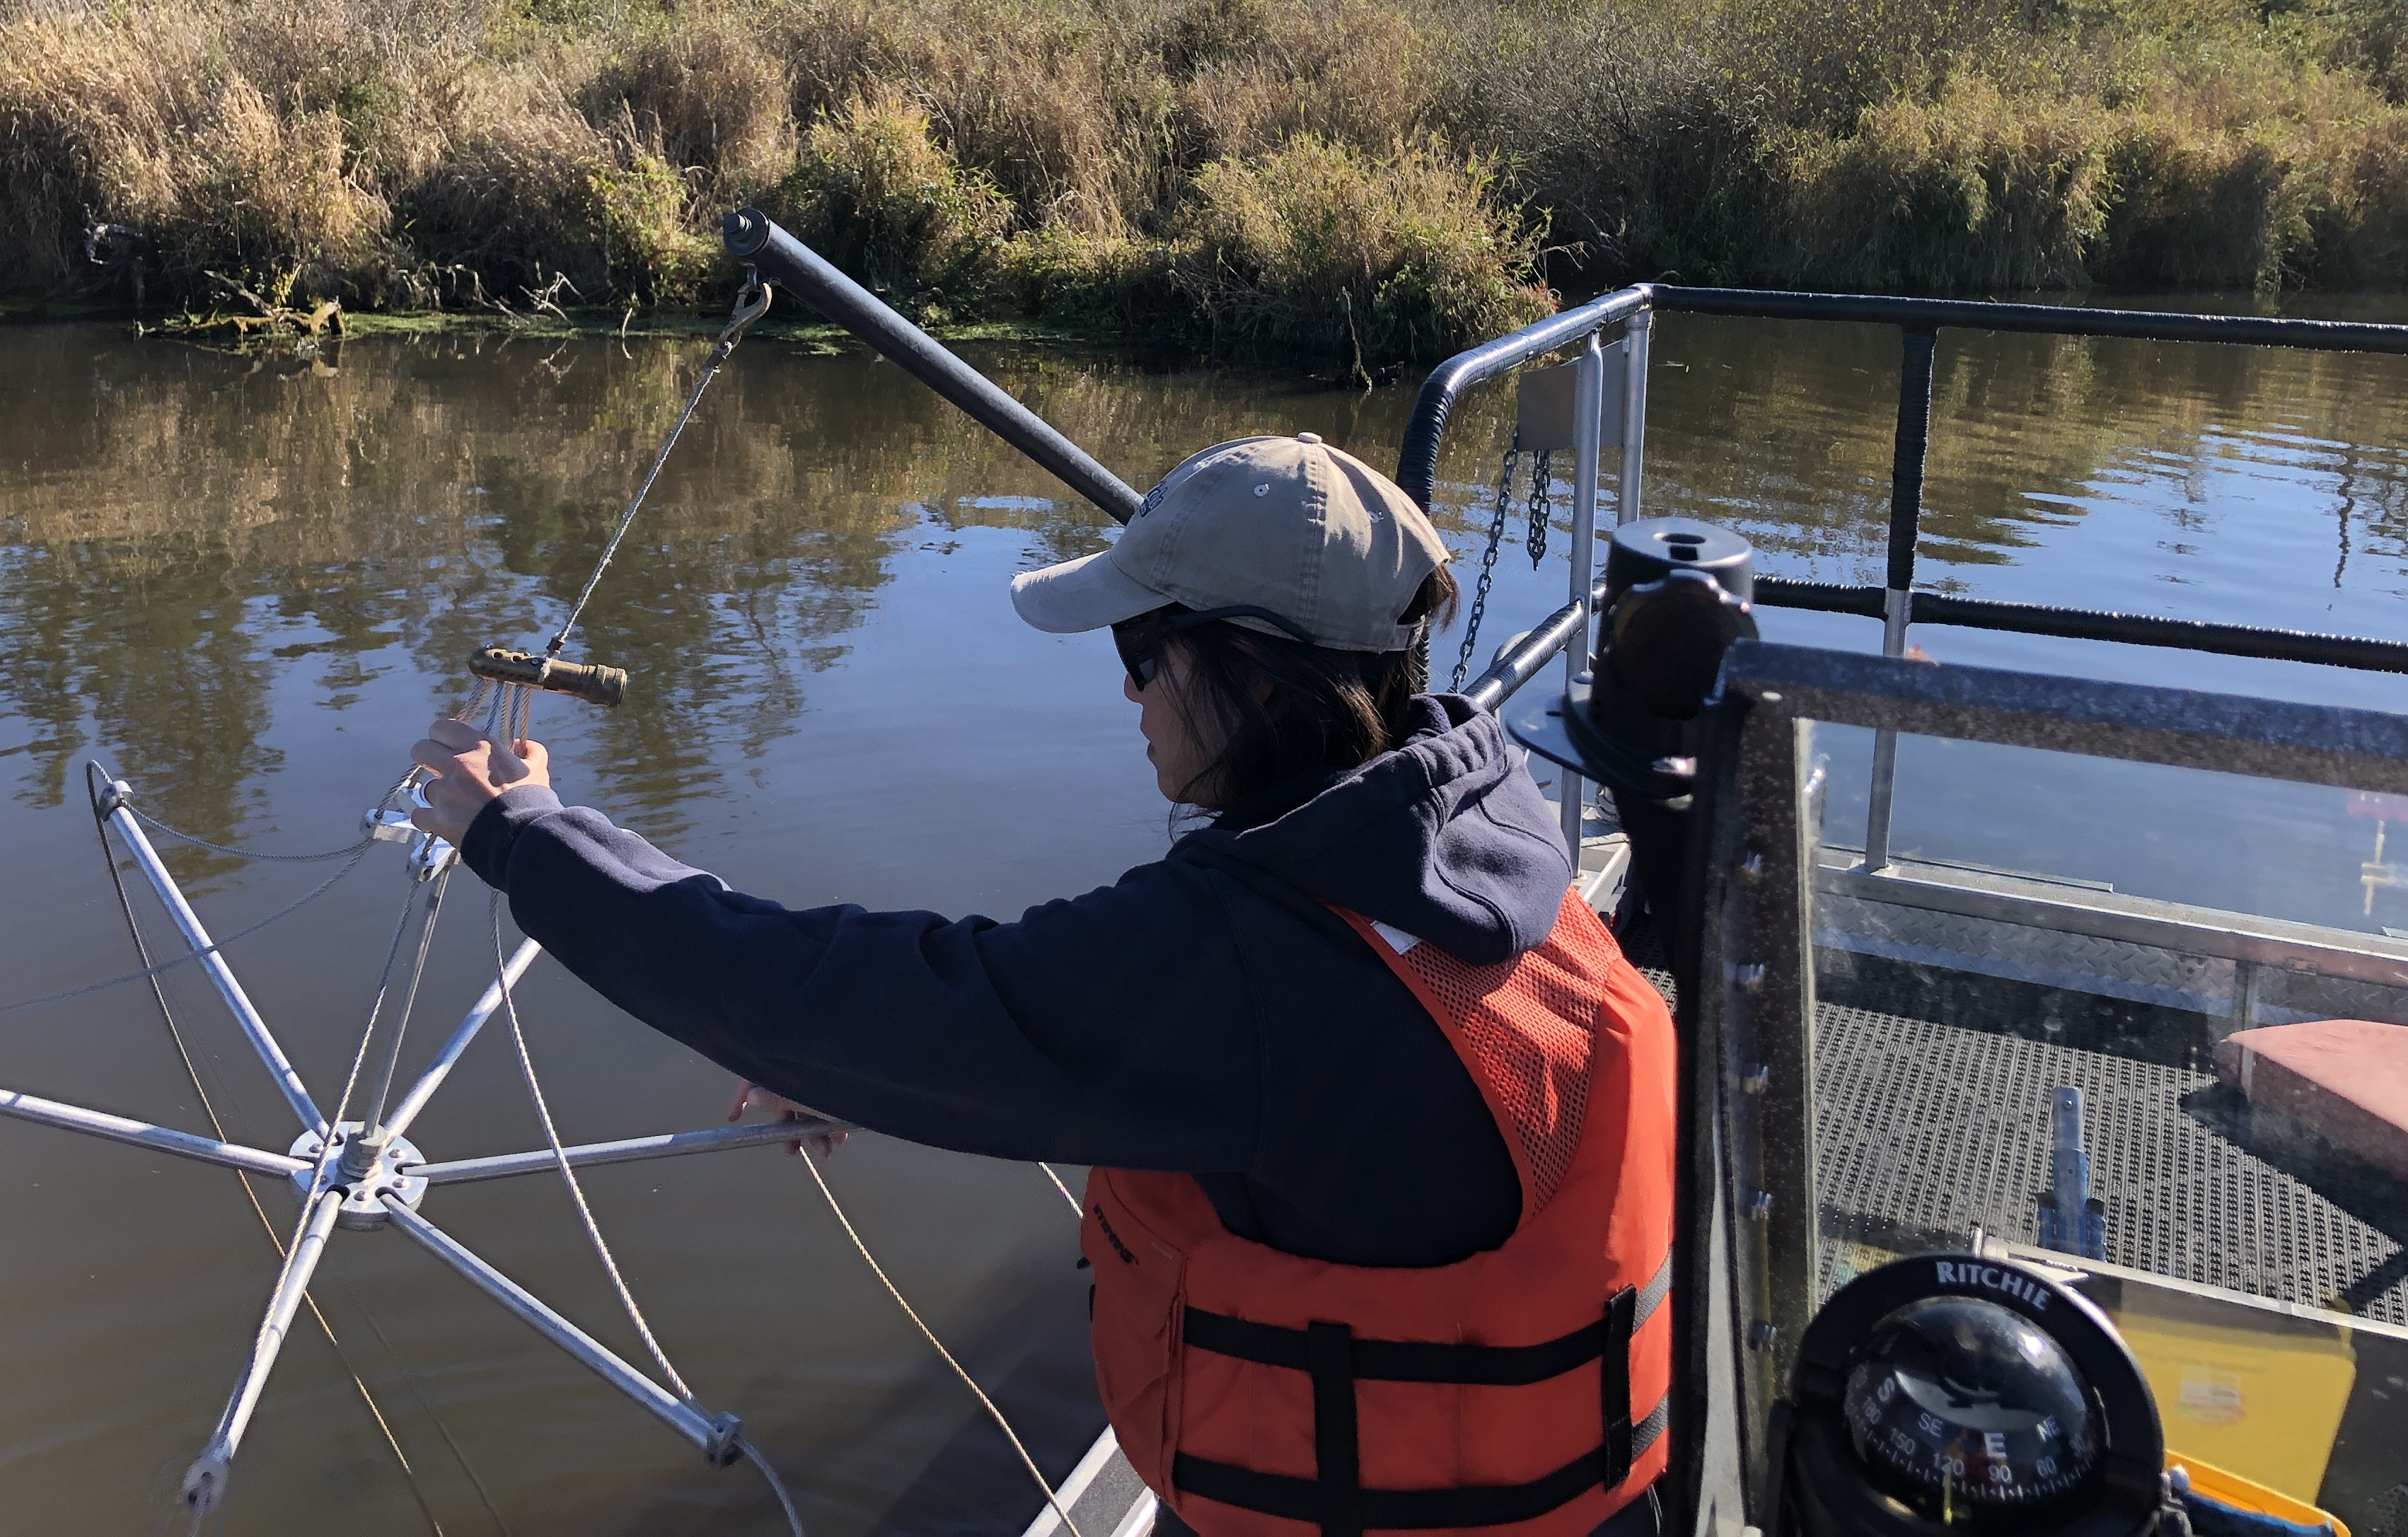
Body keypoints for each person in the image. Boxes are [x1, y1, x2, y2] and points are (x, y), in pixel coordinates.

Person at [410, 432, 1677, 1537]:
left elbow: (866, 993)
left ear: (1257, 670)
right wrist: (888, 1064)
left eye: (1143, 644)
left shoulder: (1249, 967)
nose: (1125, 688)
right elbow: (1056, 1032)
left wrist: (526, 836)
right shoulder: (1475, 834)